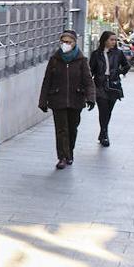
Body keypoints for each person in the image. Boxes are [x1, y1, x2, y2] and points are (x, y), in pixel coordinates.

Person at [38, 30, 96, 169]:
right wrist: (43, 100)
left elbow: (88, 80)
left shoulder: (81, 60)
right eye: (63, 42)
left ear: (74, 43)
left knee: (72, 128)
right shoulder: (55, 59)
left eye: (68, 42)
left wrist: (91, 98)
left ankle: (69, 152)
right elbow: (47, 81)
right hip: (58, 99)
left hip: (76, 99)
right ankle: (62, 157)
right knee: (61, 129)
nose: (65, 44)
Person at [90, 31, 130, 147]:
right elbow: (91, 70)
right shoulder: (96, 54)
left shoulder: (118, 53)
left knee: (108, 111)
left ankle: (102, 132)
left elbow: (126, 65)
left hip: (113, 85)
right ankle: (104, 134)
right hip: (100, 85)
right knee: (103, 110)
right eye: (111, 39)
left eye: (115, 40)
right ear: (104, 40)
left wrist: (119, 72)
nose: (114, 42)